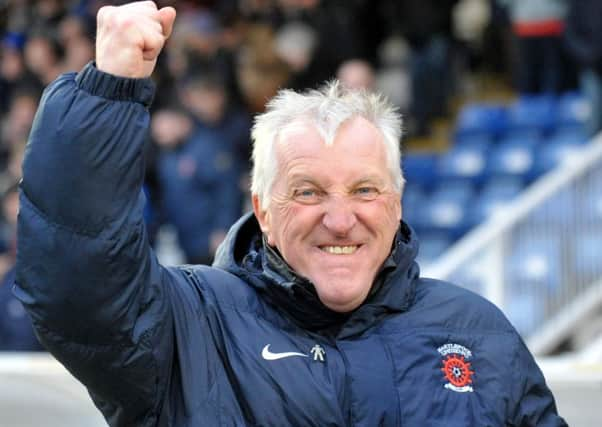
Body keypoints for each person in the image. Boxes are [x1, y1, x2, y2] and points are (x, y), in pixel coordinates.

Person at [14, 2, 566, 426]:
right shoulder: (188, 326)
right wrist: (107, 91)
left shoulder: (477, 331)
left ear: (397, 204)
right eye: (307, 192)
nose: (341, 218)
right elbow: (76, 288)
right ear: (262, 209)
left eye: (365, 190)